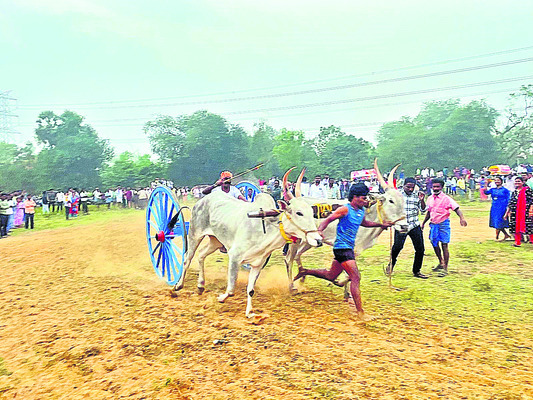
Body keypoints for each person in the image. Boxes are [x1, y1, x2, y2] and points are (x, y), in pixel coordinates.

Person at [293, 183, 394, 321]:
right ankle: (360, 313)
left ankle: (305, 271)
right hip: (342, 248)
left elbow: (364, 223)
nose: (366, 201)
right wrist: (320, 230)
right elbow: (329, 219)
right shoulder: (345, 209)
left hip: (348, 248)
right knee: (356, 277)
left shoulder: (360, 211)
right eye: (363, 198)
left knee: (330, 275)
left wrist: (381, 225)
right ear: (355, 197)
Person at [422, 179, 467, 276]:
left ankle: (445, 268)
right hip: (433, 224)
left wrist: (462, 218)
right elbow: (429, 212)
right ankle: (441, 262)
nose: (435, 189)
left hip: (443, 224)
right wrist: (423, 223)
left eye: (438, 187)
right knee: (434, 243)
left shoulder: (447, 199)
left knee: (444, 245)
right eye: (434, 187)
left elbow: (457, 209)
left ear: (442, 187)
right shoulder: (429, 198)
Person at [388, 177, 428, 279]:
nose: (410, 189)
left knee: (420, 249)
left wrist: (422, 200)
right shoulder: (397, 195)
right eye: (408, 187)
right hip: (402, 225)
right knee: (397, 247)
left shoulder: (417, 195)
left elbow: (423, 210)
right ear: (404, 185)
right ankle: (391, 265)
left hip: (414, 224)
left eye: (412, 187)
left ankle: (417, 271)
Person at [504, 176, 533, 247]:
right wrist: (507, 213)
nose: (517, 183)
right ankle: (517, 242)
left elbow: (532, 201)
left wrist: (531, 210)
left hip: (525, 211)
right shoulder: (514, 192)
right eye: (516, 181)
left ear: (523, 182)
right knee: (515, 226)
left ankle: (532, 240)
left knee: (529, 226)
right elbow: (510, 203)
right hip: (515, 212)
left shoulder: (527, 190)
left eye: (519, 181)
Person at [483, 176, 511, 241]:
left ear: (501, 181)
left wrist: (508, 209)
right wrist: (486, 184)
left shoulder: (505, 190)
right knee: (496, 221)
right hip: (494, 207)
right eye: (495, 180)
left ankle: (497, 237)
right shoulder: (493, 190)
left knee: (499, 221)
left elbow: (508, 199)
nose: (497, 181)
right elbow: (485, 192)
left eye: (498, 180)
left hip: (502, 207)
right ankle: (506, 235)